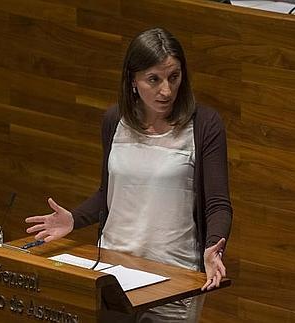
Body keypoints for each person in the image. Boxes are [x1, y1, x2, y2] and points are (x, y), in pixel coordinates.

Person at [25, 27, 233, 322]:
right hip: (114, 272)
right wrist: (75, 219)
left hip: (174, 275)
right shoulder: (114, 120)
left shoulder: (205, 125)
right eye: (154, 79)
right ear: (133, 81)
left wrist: (214, 245)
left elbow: (217, 204)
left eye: (174, 77)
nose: (166, 90)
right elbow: (108, 193)